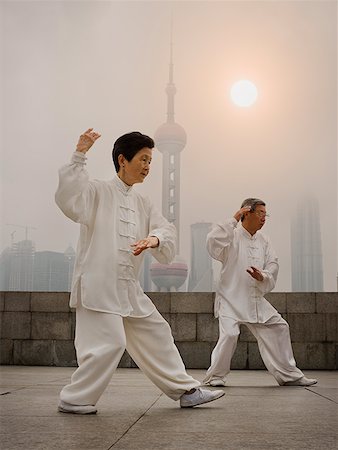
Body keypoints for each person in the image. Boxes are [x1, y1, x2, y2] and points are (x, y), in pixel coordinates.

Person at [55, 128, 224, 414]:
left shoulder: (142, 202)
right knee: (109, 343)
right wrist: (79, 154)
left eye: (150, 161)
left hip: (128, 286)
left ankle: (186, 391)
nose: (147, 167)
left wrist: (155, 239)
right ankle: (74, 398)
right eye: (143, 159)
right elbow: (69, 199)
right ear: (123, 160)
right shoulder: (97, 191)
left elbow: (165, 227)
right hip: (98, 284)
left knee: (157, 331)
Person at [203, 198, 317, 388]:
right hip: (231, 298)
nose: (264, 218)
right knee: (230, 334)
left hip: (255, 298)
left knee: (279, 327)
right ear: (246, 213)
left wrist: (262, 275)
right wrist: (234, 218)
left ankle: (290, 375)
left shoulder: (264, 240)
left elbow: (273, 263)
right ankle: (215, 376)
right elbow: (212, 242)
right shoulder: (232, 235)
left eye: (266, 214)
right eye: (260, 213)